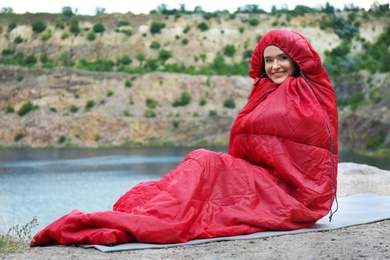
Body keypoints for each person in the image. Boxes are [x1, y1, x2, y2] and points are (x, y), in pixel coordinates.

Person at [30, 29, 338, 246]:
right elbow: (255, 147)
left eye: (282, 57)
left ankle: (150, 217)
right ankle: (145, 212)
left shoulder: (309, 93)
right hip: (267, 181)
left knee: (204, 163)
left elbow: (305, 152)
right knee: (195, 165)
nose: (274, 66)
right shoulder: (266, 92)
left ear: (298, 59)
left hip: (295, 196)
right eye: (268, 60)